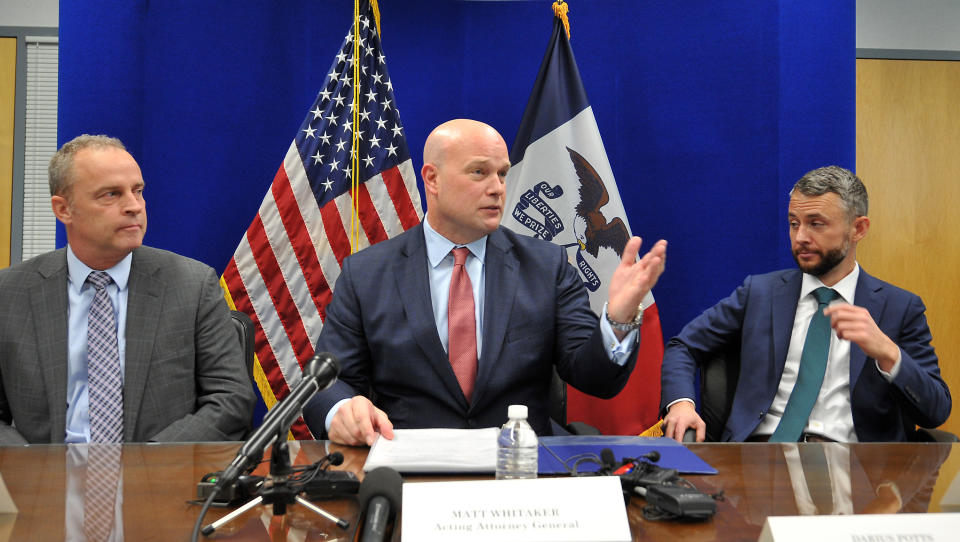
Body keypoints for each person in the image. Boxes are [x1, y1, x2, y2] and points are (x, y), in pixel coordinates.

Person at [303, 119, 667, 446]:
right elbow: (325, 382)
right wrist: (342, 412)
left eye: (503, 174)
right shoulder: (367, 274)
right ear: (432, 179)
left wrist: (618, 320)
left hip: (520, 472)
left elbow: (596, 379)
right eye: (479, 173)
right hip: (409, 470)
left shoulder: (546, 266)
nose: (497, 188)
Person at [660, 166, 950, 442]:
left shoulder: (899, 308)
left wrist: (888, 354)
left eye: (816, 224)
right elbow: (684, 345)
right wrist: (681, 405)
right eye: (793, 224)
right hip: (756, 460)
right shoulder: (760, 293)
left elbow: (935, 411)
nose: (800, 238)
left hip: (857, 468)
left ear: (858, 229)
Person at [0, 134, 255, 444]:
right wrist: (31, 465)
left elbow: (231, 399)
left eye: (138, 191)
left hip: (159, 479)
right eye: (111, 194)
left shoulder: (192, 285)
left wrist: (148, 462)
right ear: (63, 209)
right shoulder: (10, 293)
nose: (134, 206)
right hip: (44, 482)